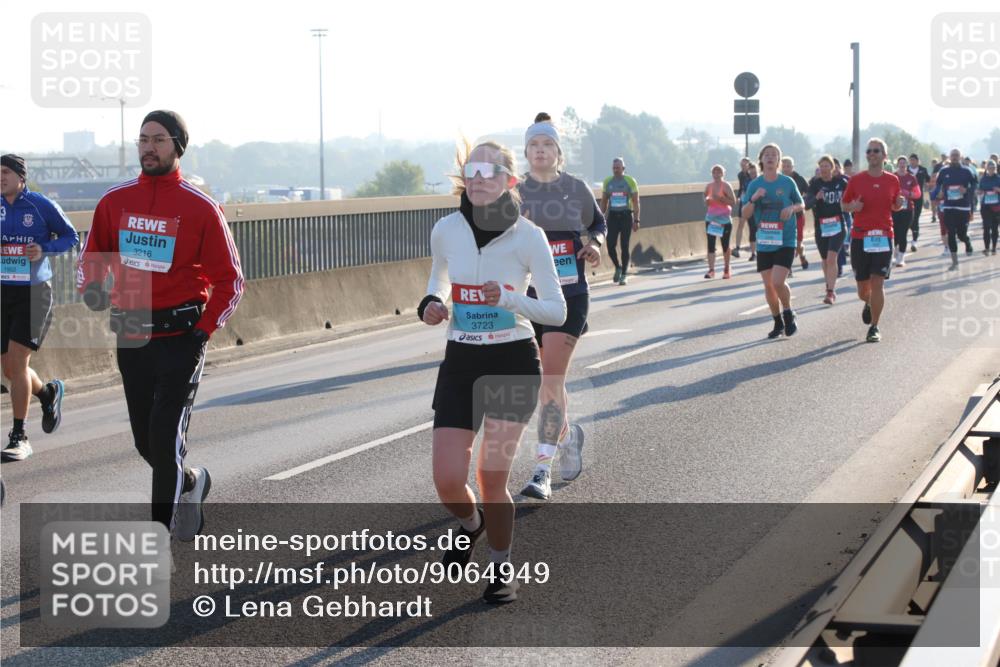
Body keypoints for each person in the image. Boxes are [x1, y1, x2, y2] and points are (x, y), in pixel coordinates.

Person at [76, 110, 244, 540]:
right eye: (143, 139)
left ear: (177, 147)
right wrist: (93, 287)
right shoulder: (115, 201)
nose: (149, 147)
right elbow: (92, 258)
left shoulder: (200, 206)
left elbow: (231, 280)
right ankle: (191, 482)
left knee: (166, 437)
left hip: (181, 335)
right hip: (131, 328)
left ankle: (158, 538)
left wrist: (204, 330)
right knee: (145, 442)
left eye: (159, 140)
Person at [420, 139, 565, 603]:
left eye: (491, 170)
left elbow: (556, 311)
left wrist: (506, 298)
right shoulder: (445, 229)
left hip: (511, 362)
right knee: (446, 477)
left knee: (490, 475)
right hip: (461, 361)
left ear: (510, 181)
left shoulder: (528, 236)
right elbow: (438, 279)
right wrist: (432, 304)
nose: (480, 177)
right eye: (473, 169)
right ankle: (470, 523)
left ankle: (502, 569)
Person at [516, 113, 605, 501]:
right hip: (528, 297)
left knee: (551, 381)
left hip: (569, 296)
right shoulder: (515, 193)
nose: (540, 151)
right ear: (526, 152)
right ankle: (567, 438)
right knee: (543, 384)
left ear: (558, 152)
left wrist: (595, 245)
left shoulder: (575, 189)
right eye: (534, 145)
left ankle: (541, 469)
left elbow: (598, 224)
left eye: (547, 145)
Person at [1, 154, 78, 461]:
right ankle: (48, 393)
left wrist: (43, 248)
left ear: (21, 177)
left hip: (34, 294)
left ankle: (19, 436)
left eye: (5, 172)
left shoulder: (41, 205)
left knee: (17, 364)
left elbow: (71, 236)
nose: (0, 178)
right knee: (8, 369)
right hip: (3, 291)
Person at [841, 138, 904, 342]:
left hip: (884, 236)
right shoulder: (856, 180)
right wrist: (853, 207)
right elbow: (844, 205)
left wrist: (899, 205)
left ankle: (874, 327)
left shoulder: (893, 180)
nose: (872, 154)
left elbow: (894, 205)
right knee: (863, 289)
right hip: (860, 237)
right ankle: (868, 302)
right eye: (869, 151)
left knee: (878, 283)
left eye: (876, 151)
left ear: (884, 156)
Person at [741, 144, 803, 338]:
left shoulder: (787, 182)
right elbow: (744, 213)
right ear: (761, 159)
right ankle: (777, 322)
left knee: (778, 281)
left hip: (785, 239)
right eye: (766, 155)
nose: (770, 158)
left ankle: (788, 312)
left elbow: (801, 204)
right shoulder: (755, 184)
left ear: (778, 160)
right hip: (766, 240)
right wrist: (754, 199)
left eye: (774, 155)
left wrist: (791, 209)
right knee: (768, 285)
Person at [806, 155, 849, 304]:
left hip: (838, 224)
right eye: (821, 166)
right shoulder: (814, 184)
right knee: (825, 261)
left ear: (832, 168)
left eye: (826, 166)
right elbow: (806, 205)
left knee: (832, 258)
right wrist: (816, 198)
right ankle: (829, 286)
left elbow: (855, 195)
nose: (824, 169)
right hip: (821, 226)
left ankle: (830, 292)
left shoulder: (841, 182)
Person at [935, 148, 978, 270]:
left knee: (961, 234)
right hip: (948, 207)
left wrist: (967, 190)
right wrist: (937, 194)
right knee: (951, 233)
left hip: (963, 207)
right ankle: (955, 262)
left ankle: (967, 242)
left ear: (960, 157)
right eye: (952, 155)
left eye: (956, 155)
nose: (954, 157)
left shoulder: (967, 171)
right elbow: (938, 185)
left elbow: (975, 184)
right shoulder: (944, 171)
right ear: (950, 156)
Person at [600, 158, 640, 285]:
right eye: (614, 168)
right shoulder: (608, 182)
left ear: (623, 168)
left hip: (626, 216)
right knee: (610, 245)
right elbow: (604, 201)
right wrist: (600, 218)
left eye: (618, 168)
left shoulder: (630, 181)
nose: (616, 170)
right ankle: (618, 266)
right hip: (612, 216)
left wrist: (636, 220)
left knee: (624, 245)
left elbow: (635, 202)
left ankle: (624, 274)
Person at [703, 165, 737, 279]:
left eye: (719, 172)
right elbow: (705, 199)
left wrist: (721, 199)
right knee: (711, 244)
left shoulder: (726, 186)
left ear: (723, 174)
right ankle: (711, 270)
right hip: (711, 219)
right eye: (714, 172)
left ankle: (727, 268)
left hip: (724, 219)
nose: (716, 174)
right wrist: (708, 200)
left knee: (725, 245)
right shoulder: (709, 186)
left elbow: (733, 202)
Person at [781, 157, 811, 270]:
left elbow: (809, 193)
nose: (786, 168)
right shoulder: (778, 179)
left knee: (797, 244)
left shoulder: (799, 179)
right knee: (786, 243)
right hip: (782, 216)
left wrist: (802, 202)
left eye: (788, 166)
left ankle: (802, 256)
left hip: (797, 215)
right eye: (784, 166)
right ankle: (787, 269)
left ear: (793, 167)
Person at [892, 156, 921, 267]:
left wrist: (907, 193)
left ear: (907, 164)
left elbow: (918, 194)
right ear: (898, 164)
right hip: (894, 209)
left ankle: (901, 258)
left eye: (904, 163)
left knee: (903, 233)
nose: (902, 165)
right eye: (900, 163)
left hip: (908, 210)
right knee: (895, 233)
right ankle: (894, 253)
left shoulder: (911, 178)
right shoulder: (893, 176)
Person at [734, 162, 759, 260]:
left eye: (755, 173)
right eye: (751, 173)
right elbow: (744, 194)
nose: (753, 175)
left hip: (763, 209)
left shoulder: (763, 180)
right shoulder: (747, 182)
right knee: (752, 229)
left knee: (761, 230)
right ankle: (754, 253)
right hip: (750, 208)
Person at [908, 153, 930, 251]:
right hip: (907, 198)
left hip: (918, 198)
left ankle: (914, 241)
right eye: (911, 160)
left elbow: (928, 182)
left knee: (915, 218)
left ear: (917, 161)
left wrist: (927, 196)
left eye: (914, 160)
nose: (912, 162)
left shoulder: (923, 170)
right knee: (906, 219)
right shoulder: (906, 169)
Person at [977, 160, 1000, 255]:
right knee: (986, 227)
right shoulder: (983, 179)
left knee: (995, 228)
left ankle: (994, 248)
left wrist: (998, 190)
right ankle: (986, 248)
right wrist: (980, 191)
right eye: (990, 168)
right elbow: (979, 189)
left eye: (994, 168)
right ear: (987, 168)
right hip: (985, 206)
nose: (992, 169)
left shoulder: (998, 178)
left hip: (997, 206)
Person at [733, 158, 752, 258]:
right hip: (743, 201)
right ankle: (737, 247)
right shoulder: (740, 175)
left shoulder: (752, 174)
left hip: (752, 201)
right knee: (741, 224)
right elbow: (741, 187)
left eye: (745, 165)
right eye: (742, 165)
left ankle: (754, 247)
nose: (743, 167)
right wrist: (738, 197)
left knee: (753, 226)